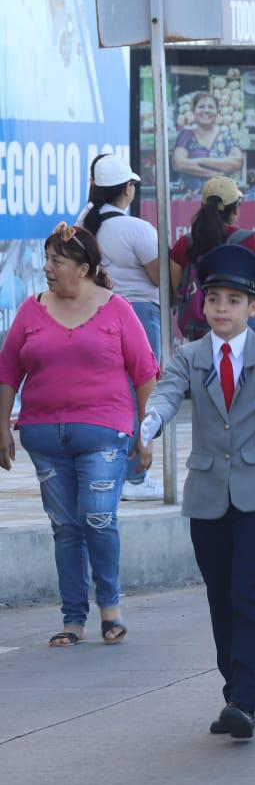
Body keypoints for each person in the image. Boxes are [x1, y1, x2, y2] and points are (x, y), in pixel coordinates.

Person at [138, 244, 255, 738]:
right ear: (202, 305)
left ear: (254, 307)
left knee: (248, 588)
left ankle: (246, 699)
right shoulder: (189, 356)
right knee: (219, 594)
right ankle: (235, 687)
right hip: (208, 493)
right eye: (213, 300)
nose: (222, 310)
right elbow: (168, 391)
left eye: (234, 301)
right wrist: (152, 419)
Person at [0, 224, 158, 647]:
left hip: (105, 435)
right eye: (47, 259)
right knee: (65, 527)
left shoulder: (117, 309)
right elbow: (8, 370)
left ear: (84, 268)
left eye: (57, 261)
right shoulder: (31, 310)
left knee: (98, 516)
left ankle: (111, 608)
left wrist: (146, 435)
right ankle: (73, 619)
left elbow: (145, 373)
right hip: (44, 437)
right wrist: (2, 425)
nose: (47, 268)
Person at [83, 154, 165, 502]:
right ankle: (135, 476)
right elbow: (159, 276)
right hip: (141, 314)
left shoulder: (84, 222)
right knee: (140, 394)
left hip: (97, 313)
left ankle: (112, 473)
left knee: (111, 395)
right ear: (127, 189)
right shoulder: (137, 229)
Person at [171, 176, 255, 357]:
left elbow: (179, 291)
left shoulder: (184, 245)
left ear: (203, 206)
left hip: (209, 332)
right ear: (236, 210)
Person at [171, 91, 245, 196]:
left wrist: (200, 161)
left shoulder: (226, 136)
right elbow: (178, 164)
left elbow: (237, 162)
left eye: (211, 107)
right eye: (201, 106)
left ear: (217, 112)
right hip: (190, 201)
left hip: (222, 201)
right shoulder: (186, 135)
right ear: (193, 112)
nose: (206, 110)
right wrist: (215, 174)